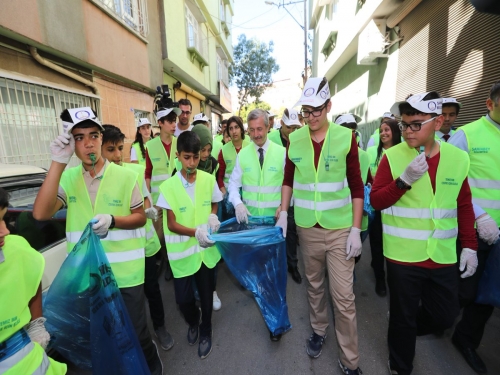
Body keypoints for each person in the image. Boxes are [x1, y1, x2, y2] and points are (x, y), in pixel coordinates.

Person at [32, 107, 164, 375]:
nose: (88, 143)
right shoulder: (68, 179)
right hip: (89, 279)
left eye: (93, 135)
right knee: (105, 336)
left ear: (102, 138)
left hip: (126, 276)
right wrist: (57, 161)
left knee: (136, 332)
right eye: (79, 138)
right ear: (72, 145)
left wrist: (113, 220)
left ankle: (151, 362)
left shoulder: (126, 176)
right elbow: (40, 213)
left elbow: (140, 217)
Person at [370, 92, 478, 375]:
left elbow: (464, 204)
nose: (407, 131)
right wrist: (403, 181)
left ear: (438, 121)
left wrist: (470, 246)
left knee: (445, 315)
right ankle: (401, 365)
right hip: (402, 256)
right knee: (403, 319)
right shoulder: (393, 157)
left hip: (441, 255)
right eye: (405, 124)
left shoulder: (457, 158)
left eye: (415, 124)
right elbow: (377, 201)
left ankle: (402, 327)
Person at [279, 77, 364, 375]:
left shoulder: (345, 138)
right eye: (306, 111)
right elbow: (288, 179)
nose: (311, 116)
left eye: (317, 110)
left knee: (343, 297)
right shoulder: (296, 139)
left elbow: (356, 185)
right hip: (307, 228)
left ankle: (350, 360)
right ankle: (318, 330)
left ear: (328, 106)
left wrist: (356, 228)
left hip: (340, 228)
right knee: (314, 286)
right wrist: (283, 212)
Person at [101, 124, 174, 351]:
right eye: (110, 149)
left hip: (144, 246)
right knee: (123, 300)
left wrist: (149, 209)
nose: (116, 156)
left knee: (152, 289)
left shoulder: (134, 172)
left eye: (120, 149)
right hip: (116, 254)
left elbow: (146, 201)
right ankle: (131, 339)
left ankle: (160, 327)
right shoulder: (97, 182)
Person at [156, 131, 222, 360]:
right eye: (187, 158)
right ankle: (193, 320)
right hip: (183, 254)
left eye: (195, 157)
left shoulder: (208, 179)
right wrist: (196, 232)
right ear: (178, 156)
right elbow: (172, 224)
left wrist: (213, 216)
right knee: (183, 300)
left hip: (205, 252)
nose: (192, 163)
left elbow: (214, 203)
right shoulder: (168, 187)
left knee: (206, 295)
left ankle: (206, 329)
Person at [448, 82, 500, 374]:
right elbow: (450, 180)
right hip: (473, 230)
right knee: (464, 288)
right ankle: (437, 319)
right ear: (489, 103)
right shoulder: (467, 136)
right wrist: (479, 216)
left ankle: (465, 339)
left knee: (489, 295)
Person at [228, 109, 287, 341]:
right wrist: (238, 203)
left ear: (268, 127)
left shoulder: (281, 153)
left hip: (274, 226)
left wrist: (283, 207)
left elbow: (289, 185)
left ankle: (276, 322)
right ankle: (270, 314)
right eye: (251, 130)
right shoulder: (243, 156)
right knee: (260, 274)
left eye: (259, 129)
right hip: (252, 226)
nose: (255, 134)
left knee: (275, 274)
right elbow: (233, 186)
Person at [0, 187, 67, 375]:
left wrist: (36, 324)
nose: (5, 231)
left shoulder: (16, 247)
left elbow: (32, 278)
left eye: (4, 219)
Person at [145, 106, 182, 281]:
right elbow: (148, 173)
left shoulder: (179, 142)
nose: (174, 125)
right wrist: (149, 201)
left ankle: (173, 264)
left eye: (175, 121)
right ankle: (166, 260)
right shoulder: (150, 146)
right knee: (160, 235)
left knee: (176, 230)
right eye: (170, 121)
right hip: (158, 199)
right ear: (160, 123)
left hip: (176, 196)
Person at [365, 119, 401, 296]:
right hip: (377, 206)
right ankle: (380, 278)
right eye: (381, 130)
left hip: (398, 207)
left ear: (395, 131)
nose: (383, 133)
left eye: (387, 130)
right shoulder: (371, 152)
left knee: (394, 244)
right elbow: (365, 176)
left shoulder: (405, 152)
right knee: (377, 243)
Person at [268, 108, 303, 283]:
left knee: (291, 233)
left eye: (297, 127)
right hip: (275, 197)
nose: (293, 132)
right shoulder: (271, 141)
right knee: (275, 235)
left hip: (295, 195)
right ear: (281, 124)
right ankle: (273, 268)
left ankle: (293, 266)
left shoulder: (302, 139)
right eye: (289, 127)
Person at [216, 116, 250, 221]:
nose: (234, 131)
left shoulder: (250, 146)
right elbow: (219, 176)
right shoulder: (224, 150)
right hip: (229, 196)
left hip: (247, 194)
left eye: (236, 127)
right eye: (231, 128)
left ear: (241, 129)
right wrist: (224, 193)